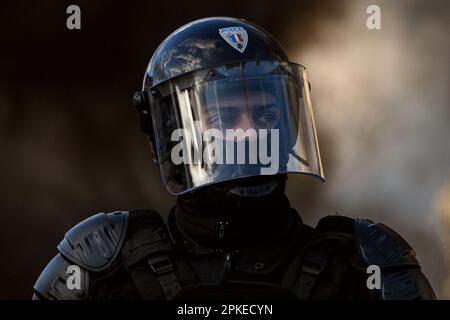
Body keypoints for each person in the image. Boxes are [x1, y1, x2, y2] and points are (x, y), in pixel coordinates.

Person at [32, 17, 436, 300]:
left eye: (265, 115)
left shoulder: (365, 266)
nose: (248, 132)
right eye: (224, 117)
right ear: (164, 138)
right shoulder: (103, 267)